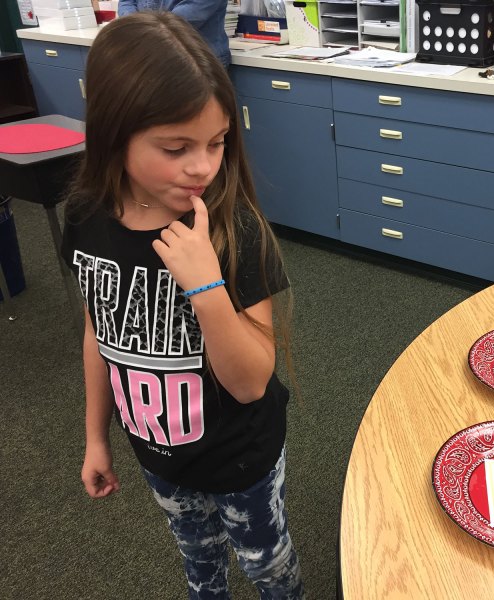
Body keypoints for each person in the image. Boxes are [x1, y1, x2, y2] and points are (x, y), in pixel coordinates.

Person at [60, 12, 304, 599]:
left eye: (217, 143)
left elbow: (251, 382)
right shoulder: (87, 218)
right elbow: (99, 333)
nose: (203, 166)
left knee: (267, 568)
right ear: (114, 135)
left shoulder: (231, 229)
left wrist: (205, 286)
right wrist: (97, 437)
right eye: (176, 148)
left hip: (240, 459)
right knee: (199, 566)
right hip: (160, 456)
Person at [117, 0, 232, 67]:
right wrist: (133, 24)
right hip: (150, 56)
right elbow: (126, 2)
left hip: (196, 60)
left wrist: (139, 30)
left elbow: (191, 13)